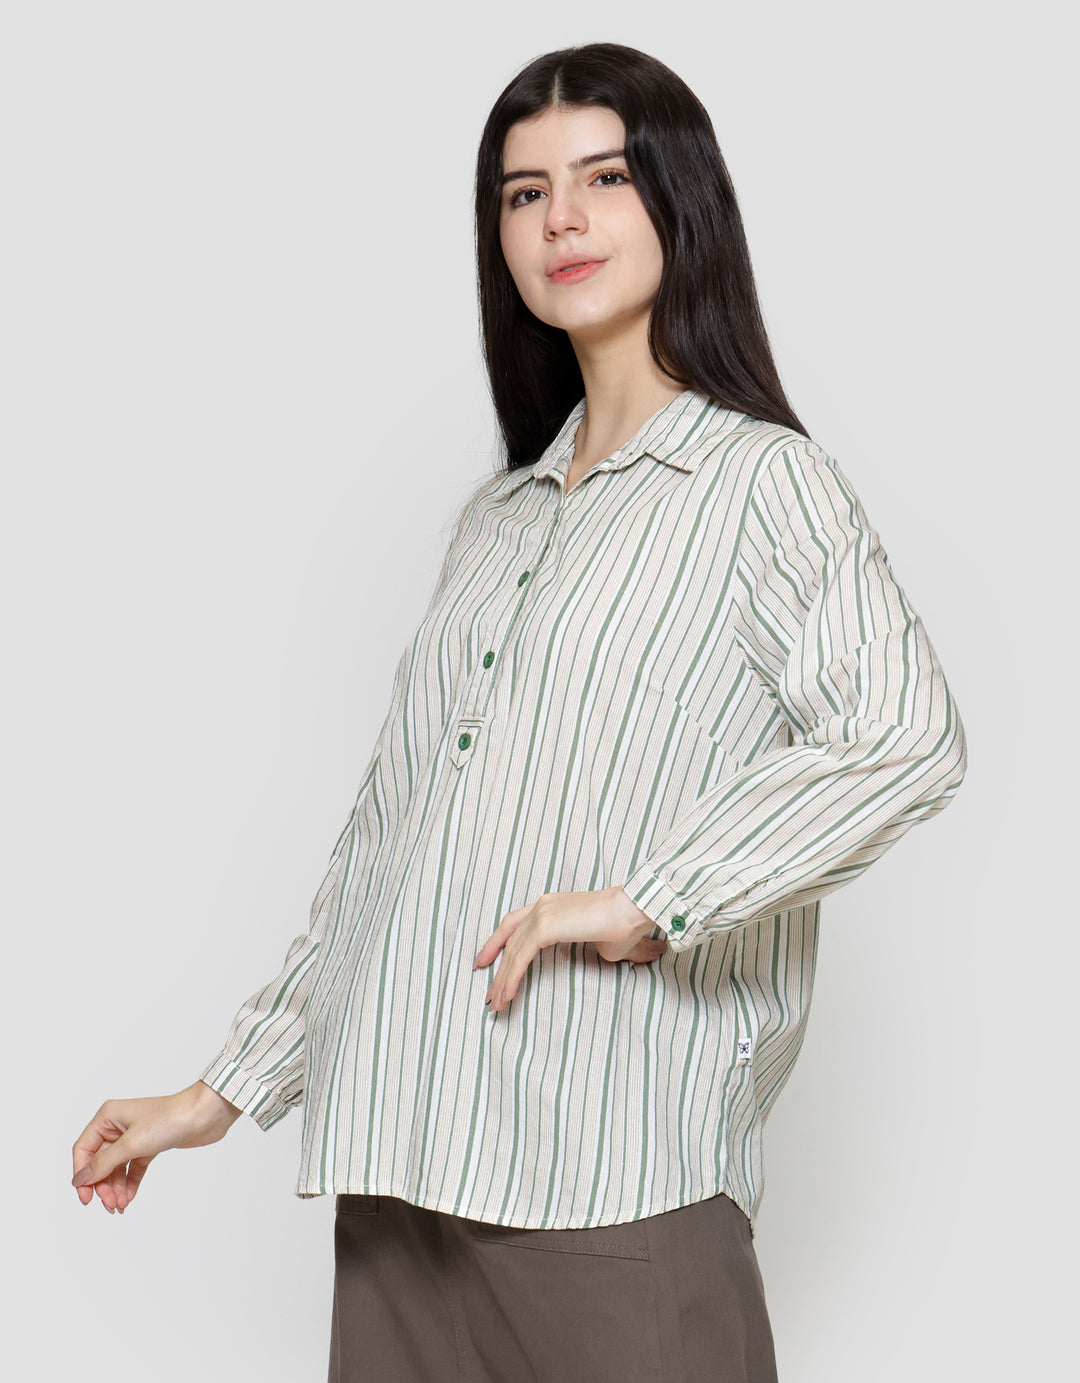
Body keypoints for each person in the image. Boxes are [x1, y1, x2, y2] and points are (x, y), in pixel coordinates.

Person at [71, 41, 967, 1383]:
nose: (561, 221)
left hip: (612, 1190)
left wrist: (654, 899)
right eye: (523, 192)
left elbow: (902, 736)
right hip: (398, 1185)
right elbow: (391, 843)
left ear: (681, 203)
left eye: (604, 178)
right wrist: (220, 1092)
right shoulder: (495, 523)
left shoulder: (762, 486)